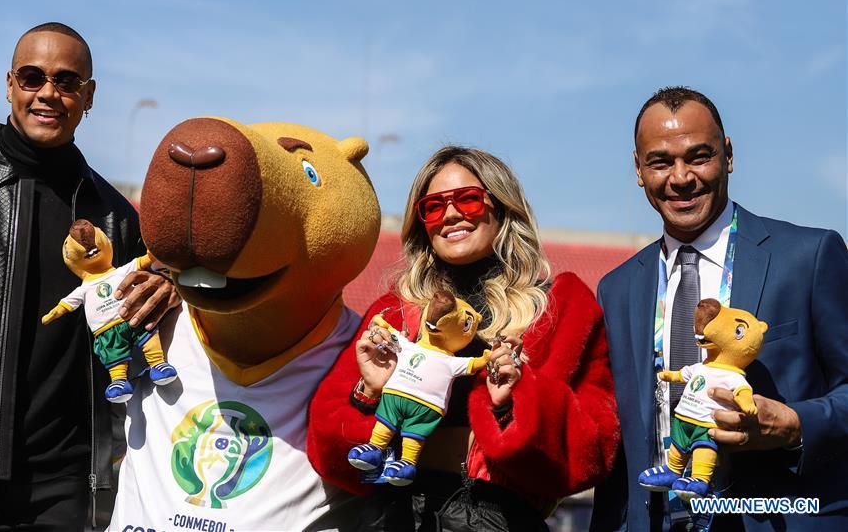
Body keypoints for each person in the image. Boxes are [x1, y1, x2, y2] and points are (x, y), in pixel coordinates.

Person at [307, 146, 619, 531]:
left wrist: (514, 402)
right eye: (433, 207)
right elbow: (326, 451)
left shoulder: (561, 308)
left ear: (502, 208)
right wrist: (369, 393)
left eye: (468, 200)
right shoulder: (392, 313)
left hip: (498, 518)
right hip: (394, 516)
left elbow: (594, 451)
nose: (451, 215)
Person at [0, 22, 178, 530]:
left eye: (67, 81)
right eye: (32, 77)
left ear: (88, 95)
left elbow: (142, 329)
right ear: (10, 84)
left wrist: (167, 285)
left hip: (63, 484)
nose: (48, 93)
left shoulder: (117, 216)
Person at [591, 87, 848, 531]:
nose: (680, 177)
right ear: (638, 168)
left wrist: (794, 424)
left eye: (698, 156)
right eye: (660, 162)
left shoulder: (810, 256)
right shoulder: (616, 289)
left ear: (727, 155)